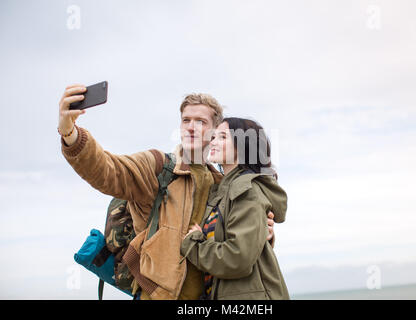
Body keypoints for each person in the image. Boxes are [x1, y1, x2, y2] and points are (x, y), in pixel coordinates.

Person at [57, 84, 276, 299]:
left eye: (200, 121)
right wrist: (70, 134)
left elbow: (234, 249)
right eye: (186, 120)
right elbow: (107, 169)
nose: (191, 127)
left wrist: (262, 233)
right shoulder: (158, 167)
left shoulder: (223, 184)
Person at [181, 117, 290, 299]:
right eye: (214, 137)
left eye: (222, 137)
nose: (213, 142)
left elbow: (237, 258)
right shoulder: (223, 191)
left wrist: (192, 244)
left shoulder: (247, 190)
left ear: (243, 146)